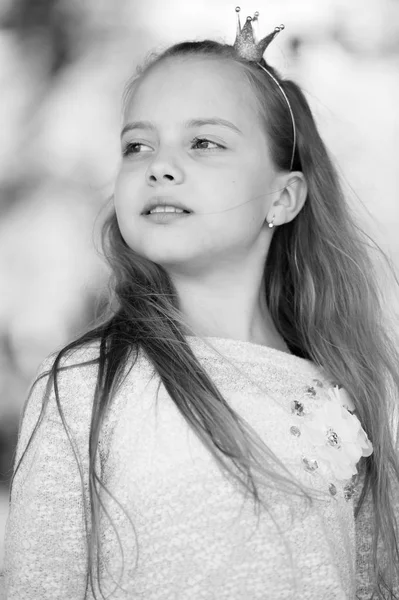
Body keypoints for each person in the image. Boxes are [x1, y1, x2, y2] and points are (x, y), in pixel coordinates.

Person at [3, 7, 399, 600]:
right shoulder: (85, 385)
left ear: (283, 197)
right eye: (137, 145)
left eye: (205, 142)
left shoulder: (343, 395)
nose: (159, 166)